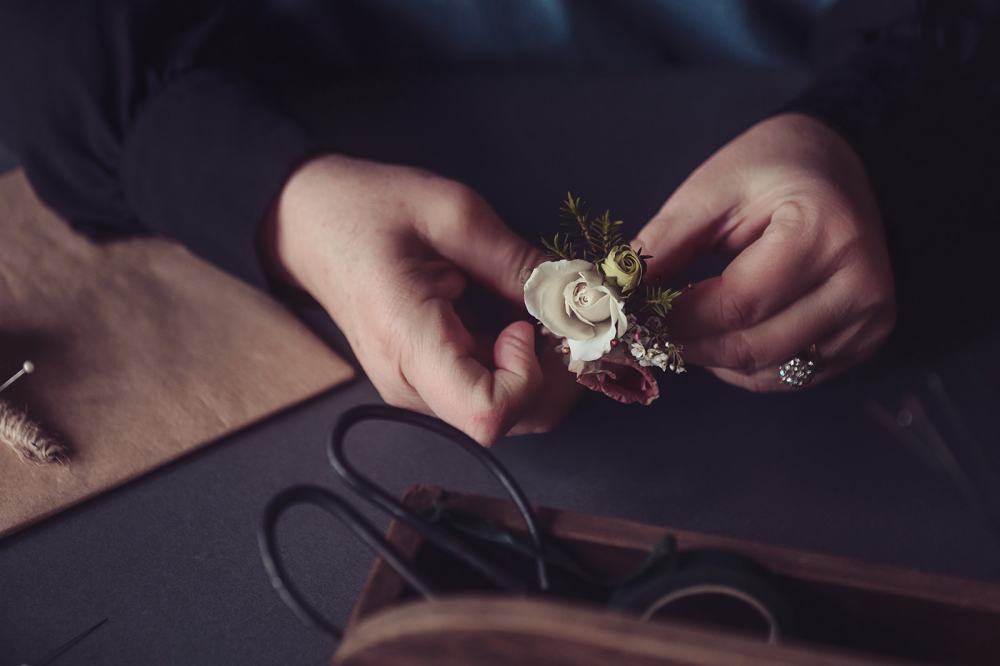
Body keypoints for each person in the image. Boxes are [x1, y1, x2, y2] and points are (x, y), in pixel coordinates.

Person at [0, 1, 996, 445]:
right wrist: (282, 202)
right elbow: (48, 46)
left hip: (805, 156)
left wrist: (876, 133)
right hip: (338, 120)